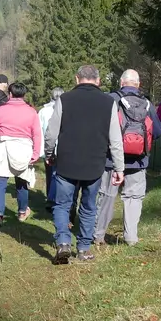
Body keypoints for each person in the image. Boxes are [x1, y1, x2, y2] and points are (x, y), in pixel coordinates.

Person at [42, 65, 124, 263]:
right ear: (98, 81)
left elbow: (51, 133)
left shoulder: (64, 99)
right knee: (88, 207)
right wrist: (119, 167)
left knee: (62, 205)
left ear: (77, 79)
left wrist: (49, 153)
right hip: (94, 164)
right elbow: (115, 138)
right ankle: (84, 249)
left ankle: (63, 242)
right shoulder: (108, 102)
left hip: (67, 162)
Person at [95, 70, 161, 247]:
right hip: (139, 161)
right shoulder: (147, 104)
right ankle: (131, 237)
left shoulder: (110, 100)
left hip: (111, 159)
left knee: (107, 195)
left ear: (121, 82)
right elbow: (157, 131)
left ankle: (98, 235)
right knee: (134, 197)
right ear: (138, 84)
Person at [0, 82, 42, 224]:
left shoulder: (1, 109)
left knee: (0, 181)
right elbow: (37, 134)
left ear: (10, 94)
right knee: (21, 182)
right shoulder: (31, 111)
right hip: (23, 147)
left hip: (4, 146)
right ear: (24, 94)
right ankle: (22, 212)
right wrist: (36, 153)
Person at [37, 87, 63, 210]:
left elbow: (38, 129)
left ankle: (50, 197)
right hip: (61, 146)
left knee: (50, 173)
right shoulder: (64, 109)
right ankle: (54, 198)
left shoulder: (43, 111)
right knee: (58, 174)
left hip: (47, 146)